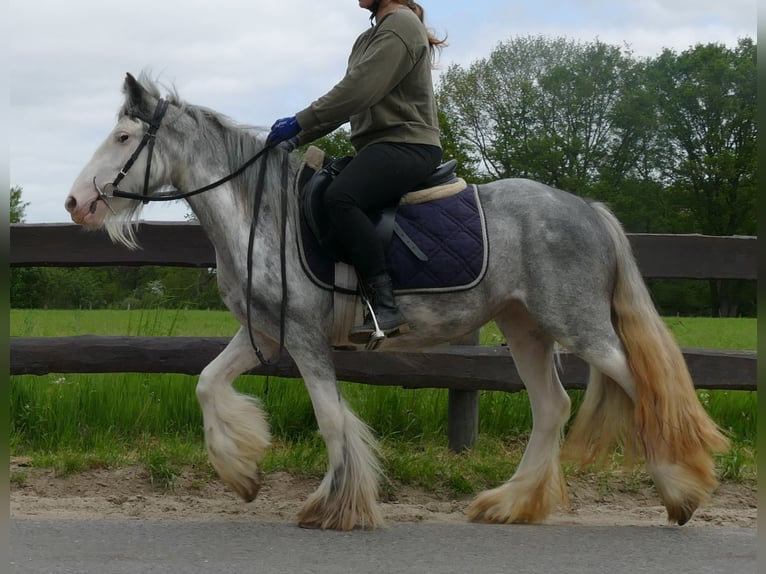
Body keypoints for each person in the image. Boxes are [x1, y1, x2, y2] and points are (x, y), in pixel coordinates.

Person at [266, 0, 446, 344]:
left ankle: (385, 304)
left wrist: (299, 121)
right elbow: (351, 102)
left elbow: (356, 92)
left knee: (341, 197)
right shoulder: (368, 38)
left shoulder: (401, 24)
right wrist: (296, 137)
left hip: (408, 144)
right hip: (379, 147)